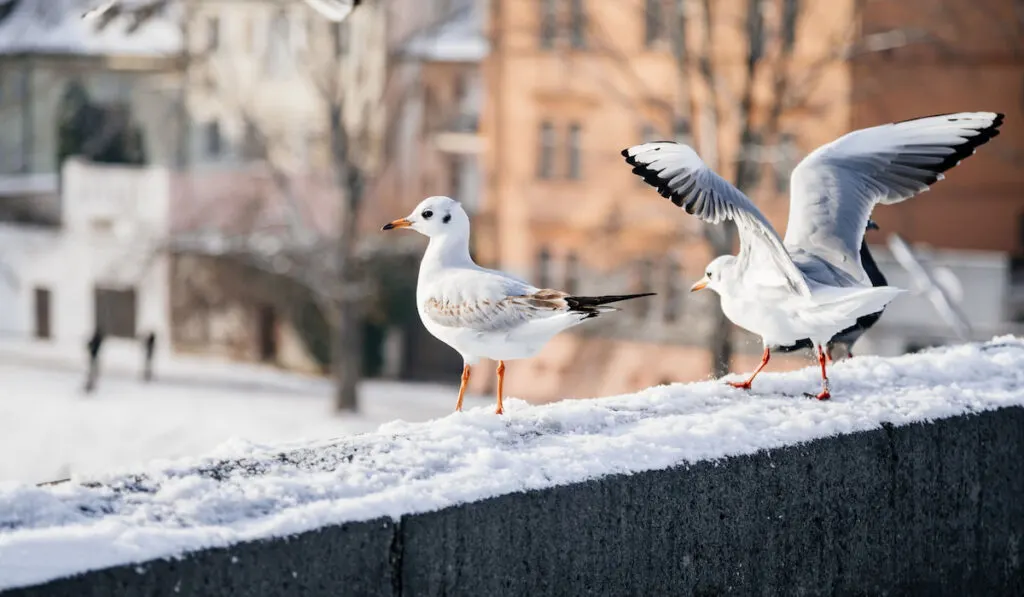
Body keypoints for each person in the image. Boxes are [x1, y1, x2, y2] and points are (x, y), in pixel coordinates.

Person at [84, 328, 105, 394]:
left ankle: (90, 385)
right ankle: (90, 385)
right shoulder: (98, 340)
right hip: (94, 357)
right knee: (93, 372)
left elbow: (89, 346)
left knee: (93, 372)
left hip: (94, 357)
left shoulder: (96, 340)